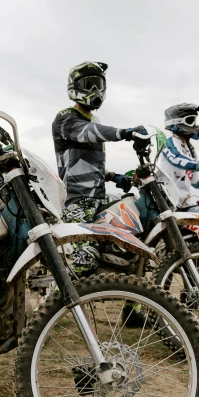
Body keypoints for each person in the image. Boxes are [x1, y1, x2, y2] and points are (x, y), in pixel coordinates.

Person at [52, 61, 146, 277]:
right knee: (85, 259)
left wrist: (113, 176)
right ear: (74, 86)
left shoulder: (95, 121)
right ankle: (51, 302)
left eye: (98, 84)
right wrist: (124, 132)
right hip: (75, 200)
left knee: (131, 243)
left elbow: (87, 163)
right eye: (89, 84)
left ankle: (134, 308)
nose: (94, 90)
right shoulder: (66, 118)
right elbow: (87, 132)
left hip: (97, 197)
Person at [159, 103, 199, 211]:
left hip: (185, 203)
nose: (194, 125)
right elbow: (176, 158)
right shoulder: (168, 143)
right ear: (176, 122)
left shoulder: (189, 150)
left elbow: (194, 181)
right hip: (168, 204)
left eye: (195, 121)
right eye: (190, 121)